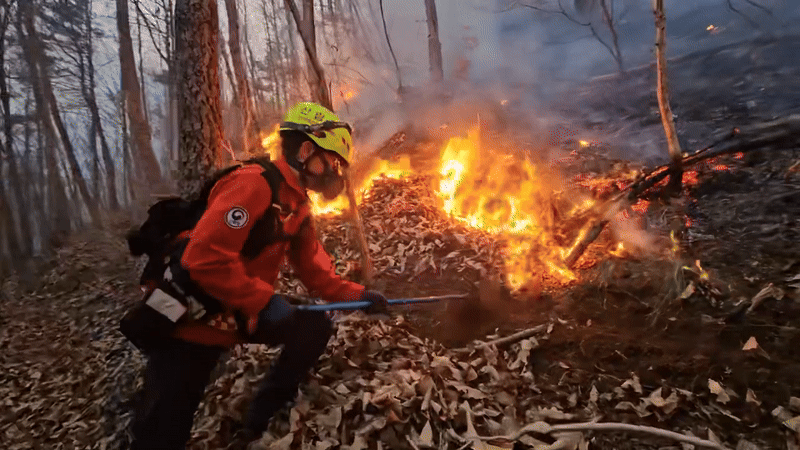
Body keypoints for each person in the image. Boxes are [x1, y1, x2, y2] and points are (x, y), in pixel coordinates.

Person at [129, 102, 389, 450]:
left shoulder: (296, 205)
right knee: (164, 428)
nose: (336, 171)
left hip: (237, 314)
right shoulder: (252, 185)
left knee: (312, 327)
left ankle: (260, 419)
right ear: (306, 150)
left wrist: (359, 295)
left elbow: (315, 271)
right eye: (333, 160)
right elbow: (203, 259)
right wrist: (263, 301)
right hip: (191, 321)